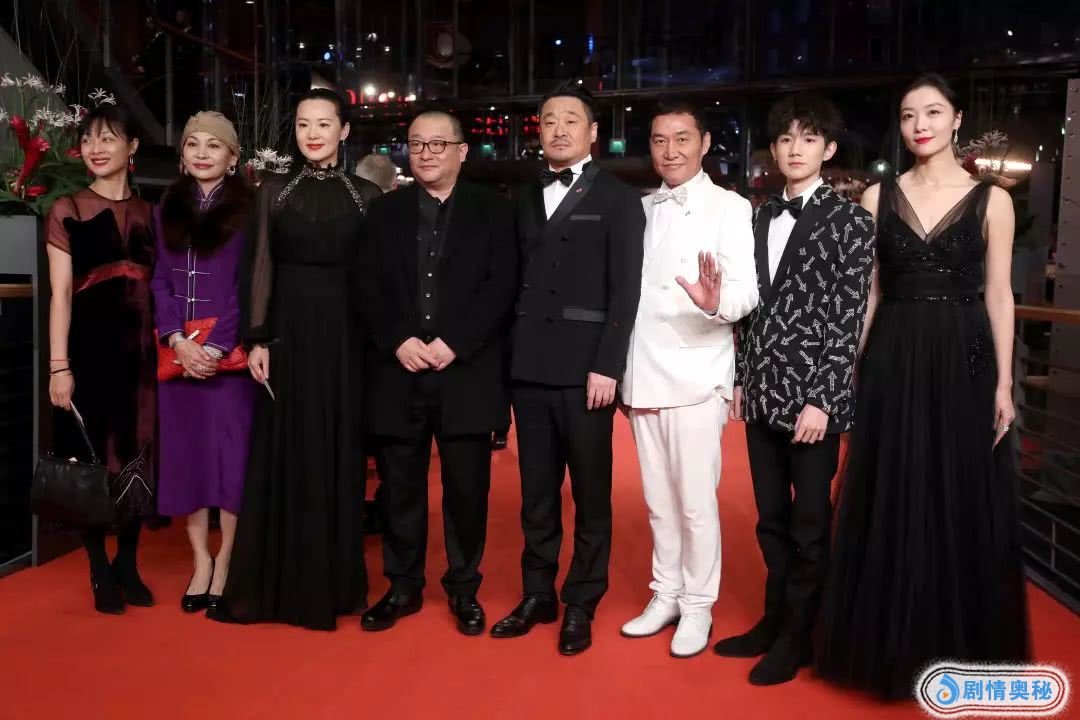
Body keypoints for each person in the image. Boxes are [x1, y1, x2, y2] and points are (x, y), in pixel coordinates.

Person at [815, 74, 1029, 699]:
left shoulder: (992, 200)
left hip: (966, 353)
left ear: (957, 119)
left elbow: (999, 294)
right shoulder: (877, 196)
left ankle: (958, 647)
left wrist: (1005, 383)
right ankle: (891, 648)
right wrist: (848, 366)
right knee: (893, 487)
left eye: (933, 112)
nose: (920, 125)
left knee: (959, 489)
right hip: (894, 349)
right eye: (909, 115)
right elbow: (870, 292)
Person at [713, 93, 876, 685]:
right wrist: (740, 377)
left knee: (809, 525)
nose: (795, 149)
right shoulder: (756, 218)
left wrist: (823, 400)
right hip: (761, 392)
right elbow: (748, 313)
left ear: (828, 149)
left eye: (808, 138)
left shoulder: (853, 222)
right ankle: (774, 619)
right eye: (785, 139)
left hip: (814, 401)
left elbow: (848, 317)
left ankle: (799, 637)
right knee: (770, 519)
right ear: (773, 149)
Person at [213, 88, 382, 630]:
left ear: (344, 131)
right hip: (286, 337)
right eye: (304, 124)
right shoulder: (273, 191)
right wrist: (257, 339)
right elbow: (258, 267)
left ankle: (334, 585)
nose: (312, 133)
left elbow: (378, 278)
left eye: (324, 124)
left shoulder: (367, 195)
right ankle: (277, 586)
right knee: (283, 449)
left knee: (340, 452)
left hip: (347, 340)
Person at [490, 81, 645, 655]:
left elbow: (625, 289)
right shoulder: (523, 195)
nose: (558, 129)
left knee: (591, 493)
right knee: (536, 493)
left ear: (592, 132)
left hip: (587, 372)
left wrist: (609, 365)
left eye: (570, 120)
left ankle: (582, 600)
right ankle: (538, 594)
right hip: (529, 364)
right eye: (549, 120)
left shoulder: (618, 197)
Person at [359, 109, 517, 636]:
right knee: (399, 489)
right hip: (398, 369)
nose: (426, 153)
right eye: (417, 144)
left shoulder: (495, 210)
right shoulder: (383, 211)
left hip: (465, 371)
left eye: (438, 144)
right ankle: (402, 586)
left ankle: (464, 588)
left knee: (467, 491)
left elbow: (502, 285)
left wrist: (457, 343)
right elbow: (366, 284)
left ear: (462, 151)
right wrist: (397, 339)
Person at [619, 102, 758, 658]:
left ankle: (699, 603)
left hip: (698, 375)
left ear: (704, 143)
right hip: (642, 372)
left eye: (681, 138)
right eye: (659, 140)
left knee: (696, 503)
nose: (670, 150)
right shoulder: (639, 208)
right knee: (657, 500)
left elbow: (746, 292)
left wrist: (712, 301)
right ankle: (667, 593)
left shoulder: (730, 206)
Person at [45, 103, 156, 614]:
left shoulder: (151, 213)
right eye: (89, 139)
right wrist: (59, 367)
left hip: (141, 357)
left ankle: (127, 563)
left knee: (137, 454)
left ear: (132, 147)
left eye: (108, 138)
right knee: (90, 460)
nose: (96, 148)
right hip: (87, 354)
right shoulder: (67, 208)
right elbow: (60, 296)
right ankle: (97, 568)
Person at [150, 111, 256, 618]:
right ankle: (201, 560)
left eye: (214, 146)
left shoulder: (250, 210)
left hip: (226, 358)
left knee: (231, 461)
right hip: (178, 356)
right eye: (193, 144)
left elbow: (247, 285)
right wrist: (177, 339)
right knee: (187, 459)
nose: (201, 153)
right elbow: (159, 280)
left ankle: (228, 558)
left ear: (232, 157)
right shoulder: (166, 207)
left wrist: (214, 347)